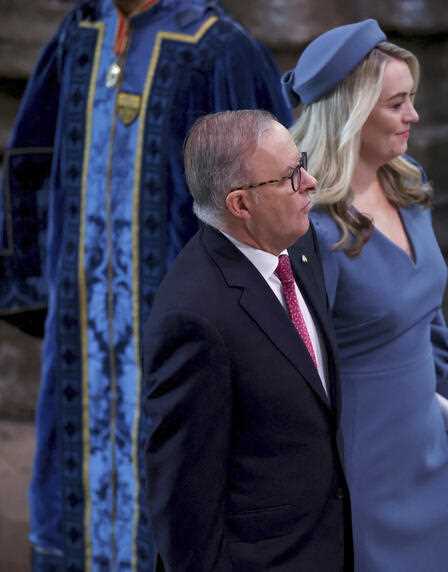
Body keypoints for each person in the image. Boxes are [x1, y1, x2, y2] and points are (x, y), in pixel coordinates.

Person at [0, 0, 292, 568]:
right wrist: (38, 283)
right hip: (82, 331)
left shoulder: (217, 48)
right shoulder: (82, 32)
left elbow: (273, 197)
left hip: (183, 335)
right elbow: (31, 160)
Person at [283, 19, 448, 571]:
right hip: (357, 461)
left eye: (411, 100)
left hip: (427, 439)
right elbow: (286, 367)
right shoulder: (309, 228)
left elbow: (429, 313)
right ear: (350, 112)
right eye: (397, 104)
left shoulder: (406, 181)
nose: (413, 117)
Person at [143, 109, 351, 570]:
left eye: (304, 163)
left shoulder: (297, 244)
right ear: (240, 205)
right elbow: (183, 500)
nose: (311, 182)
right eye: (291, 176)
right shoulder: (195, 318)